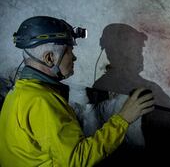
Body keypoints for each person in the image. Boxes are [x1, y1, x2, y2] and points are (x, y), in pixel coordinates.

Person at [0, 16, 155, 167]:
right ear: (49, 58)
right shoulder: (42, 101)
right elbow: (77, 160)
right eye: (69, 50)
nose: (74, 57)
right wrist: (124, 118)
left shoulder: (20, 90)